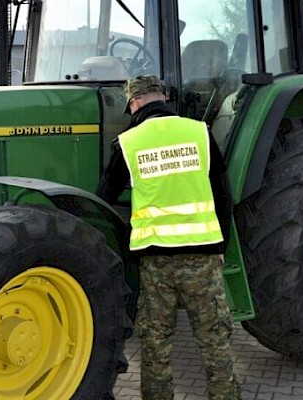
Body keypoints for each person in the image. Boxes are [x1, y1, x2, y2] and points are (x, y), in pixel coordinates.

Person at [96, 75, 241, 400]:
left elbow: (103, 197)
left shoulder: (129, 142)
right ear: (163, 97)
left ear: (133, 103)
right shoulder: (199, 133)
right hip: (203, 259)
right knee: (214, 340)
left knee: (156, 344)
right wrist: (222, 246)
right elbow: (223, 195)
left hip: (156, 263)